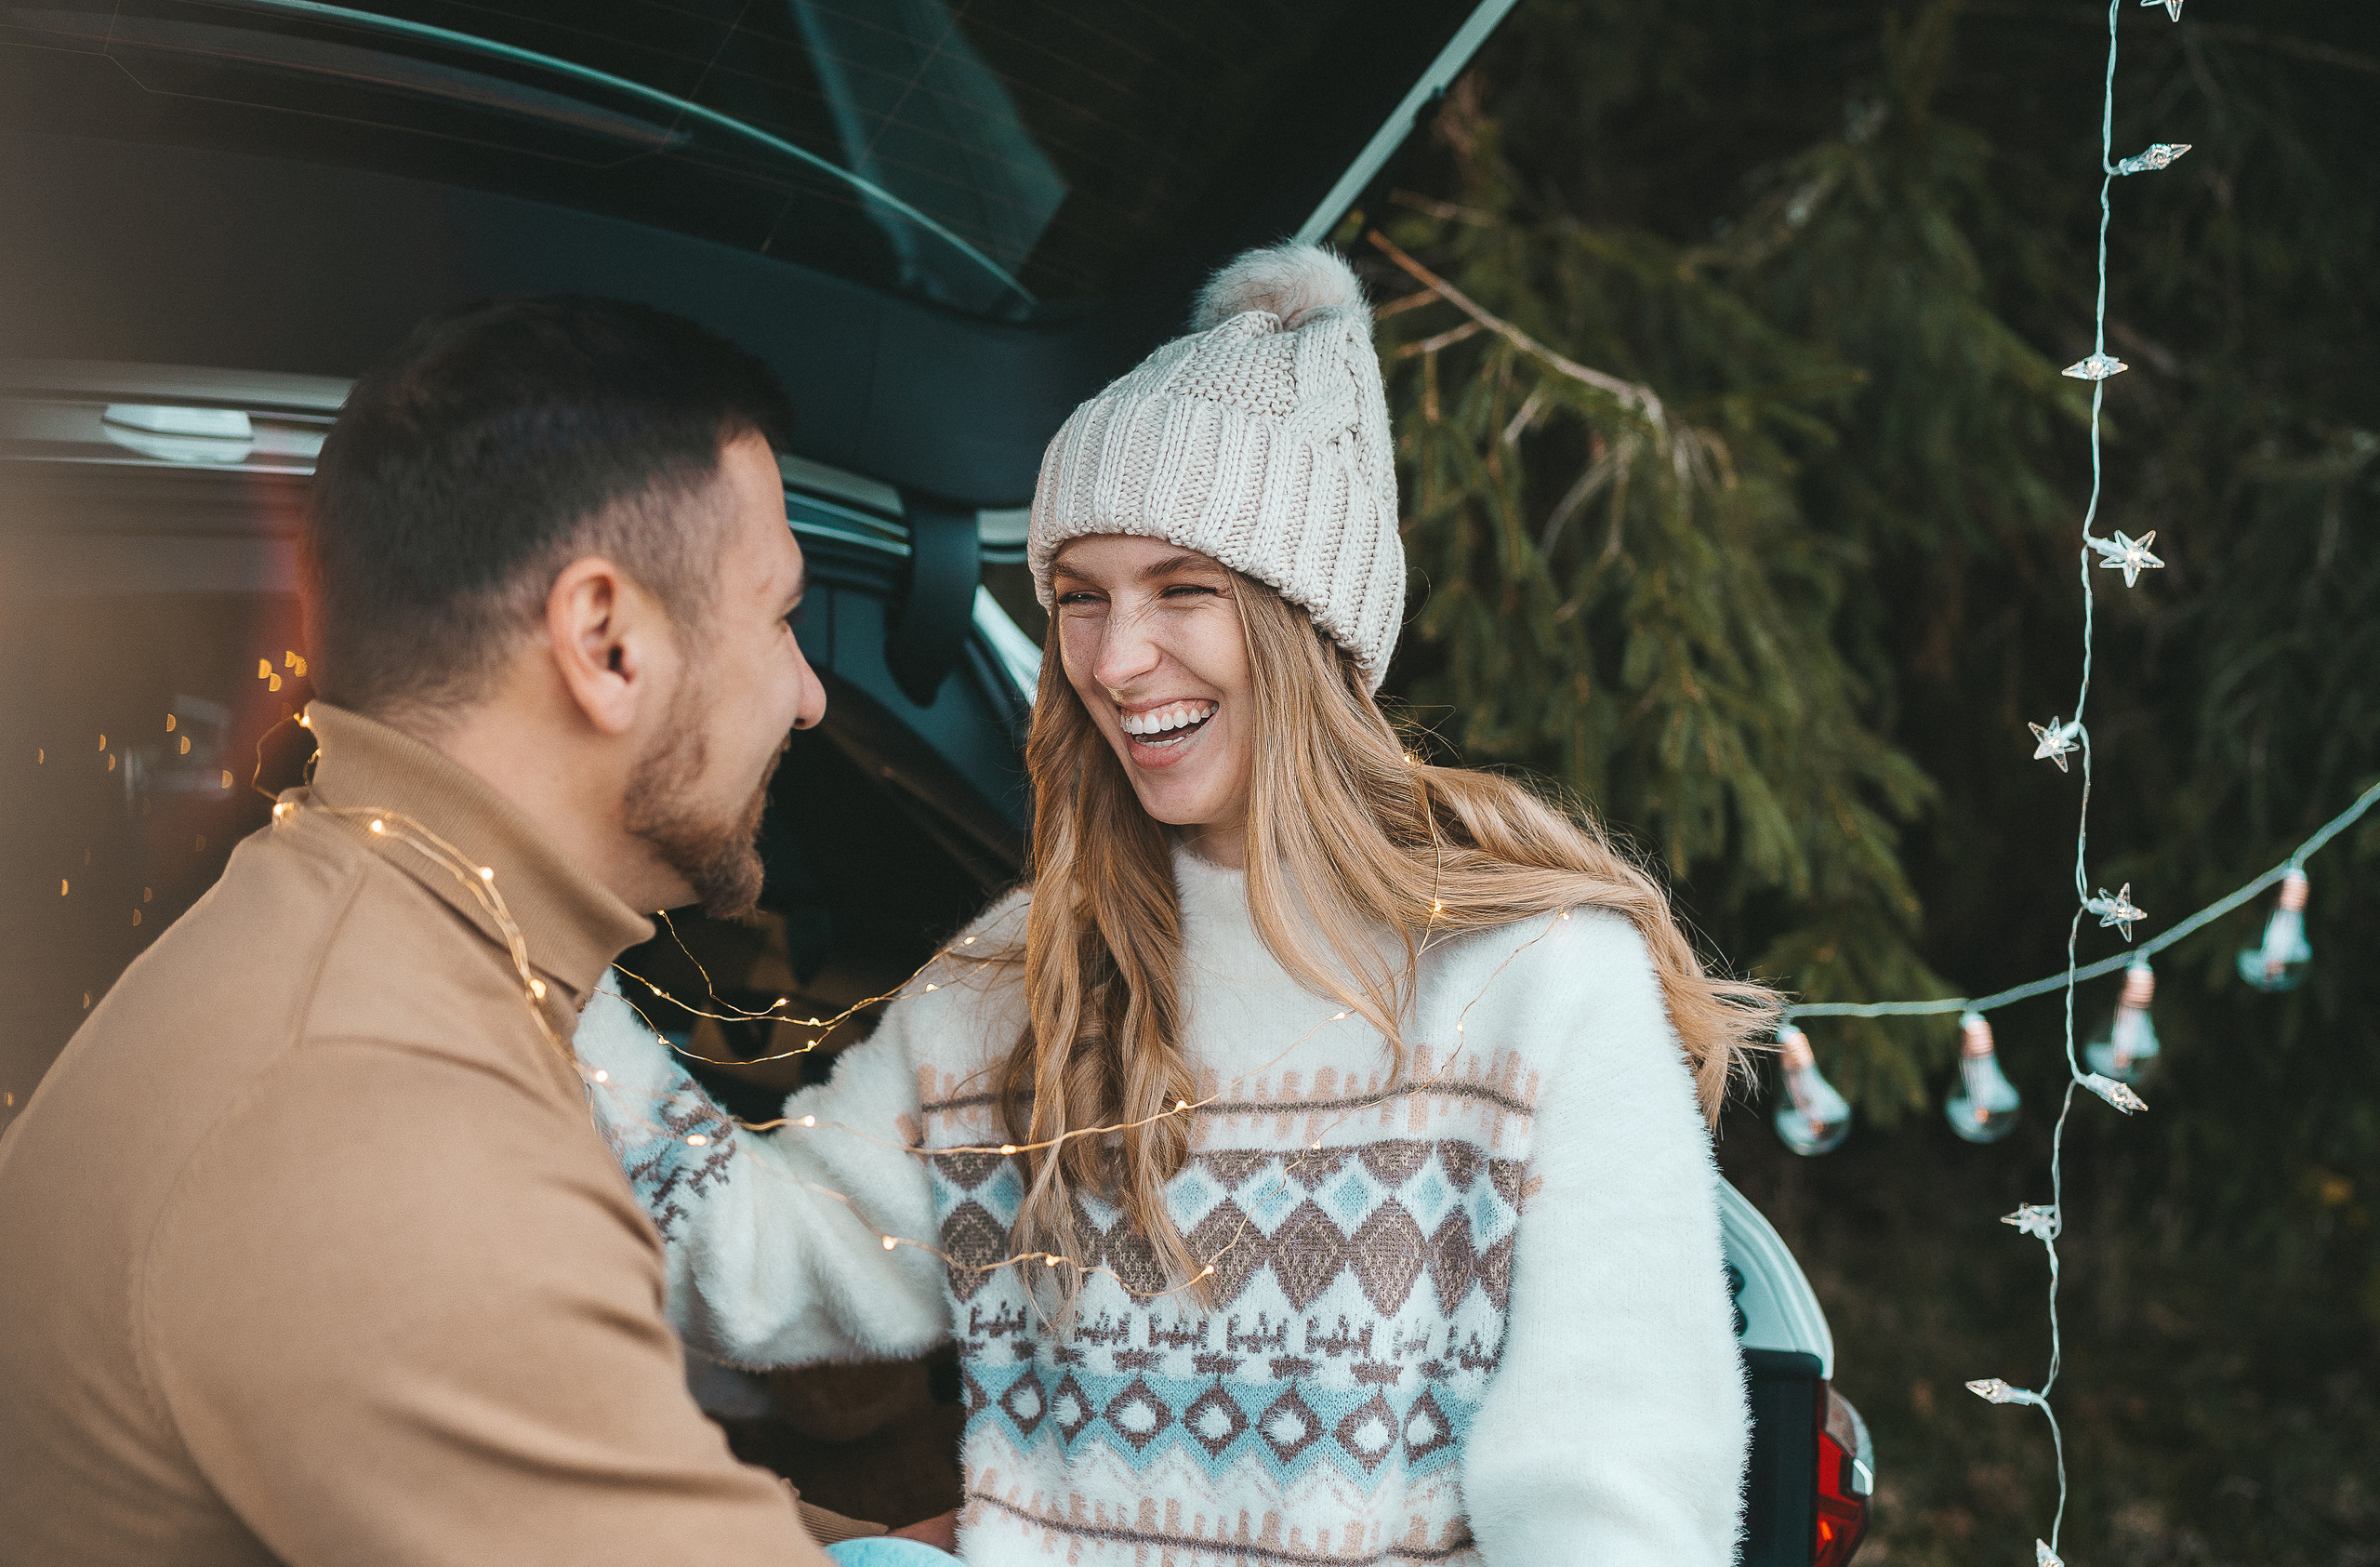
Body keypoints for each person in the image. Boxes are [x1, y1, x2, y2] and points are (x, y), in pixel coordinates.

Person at [575, 246, 1773, 1567]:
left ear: (1309, 624)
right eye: (1079, 597)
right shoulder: (1021, 974)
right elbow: (766, 1263)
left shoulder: (1537, 984)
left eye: (1183, 590)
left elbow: (1615, 1509)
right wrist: (528, 942)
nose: (1114, 657)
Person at [0, 297, 934, 1564]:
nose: (814, 694)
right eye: (780, 617)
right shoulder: (373, 1117)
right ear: (606, 642)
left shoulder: (376, 944)